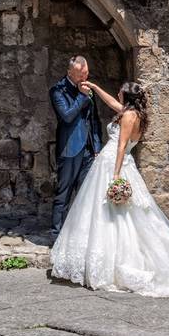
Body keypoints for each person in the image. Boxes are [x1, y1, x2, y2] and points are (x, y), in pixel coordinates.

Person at [49, 80, 169, 297]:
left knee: (106, 213)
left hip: (113, 164)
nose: (117, 94)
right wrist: (95, 88)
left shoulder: (127, 116)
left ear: (127, 97)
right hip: (122, 164)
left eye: (121, 92)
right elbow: (112, 103)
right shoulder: (136, 114)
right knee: (127, 214)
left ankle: (112, 261)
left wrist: (115, 175)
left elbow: (121, 145)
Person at [48, 56, 102, 239]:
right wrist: (82, 96)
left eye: (86, 73)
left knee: (86, 194)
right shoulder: (58, 91)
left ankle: (81, 237)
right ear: (70, 72)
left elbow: (94, 120)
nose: (84, 77)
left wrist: (97, 146)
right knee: (63, 194)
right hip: (70, 149)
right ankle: (57, 237)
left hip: (88, 150)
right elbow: (67, 117)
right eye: (81, 74)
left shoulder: (86, 87)